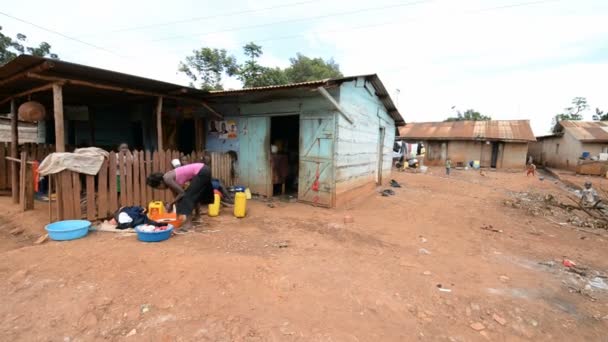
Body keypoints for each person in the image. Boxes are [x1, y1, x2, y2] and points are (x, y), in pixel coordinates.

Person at [146, 162, 214, 231]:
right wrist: (176, 214)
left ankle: (188, 224)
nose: (161, 190)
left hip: (201, 171)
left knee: (188, 196)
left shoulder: (167, 179)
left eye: (158, 188)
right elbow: (177, 197)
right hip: (204, 169)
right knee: (193, 194)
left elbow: (182, 193)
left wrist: (171, 204)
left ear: (160, 183)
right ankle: (197, 216)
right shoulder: (168, 179)